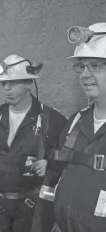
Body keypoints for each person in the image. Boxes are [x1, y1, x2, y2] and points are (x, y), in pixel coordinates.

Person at [34, 22, 106, 232]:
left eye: (96, 65)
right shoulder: (75, 122)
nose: (84, 74)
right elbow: (50, 184)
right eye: (81, 66)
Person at [0, 54, 67, 232]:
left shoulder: (52, 120)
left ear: (29, 83)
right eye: (4, 84)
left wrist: (50, 164)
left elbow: (67, 161)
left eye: (13, 83)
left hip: (31, 210)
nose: (7, 88)